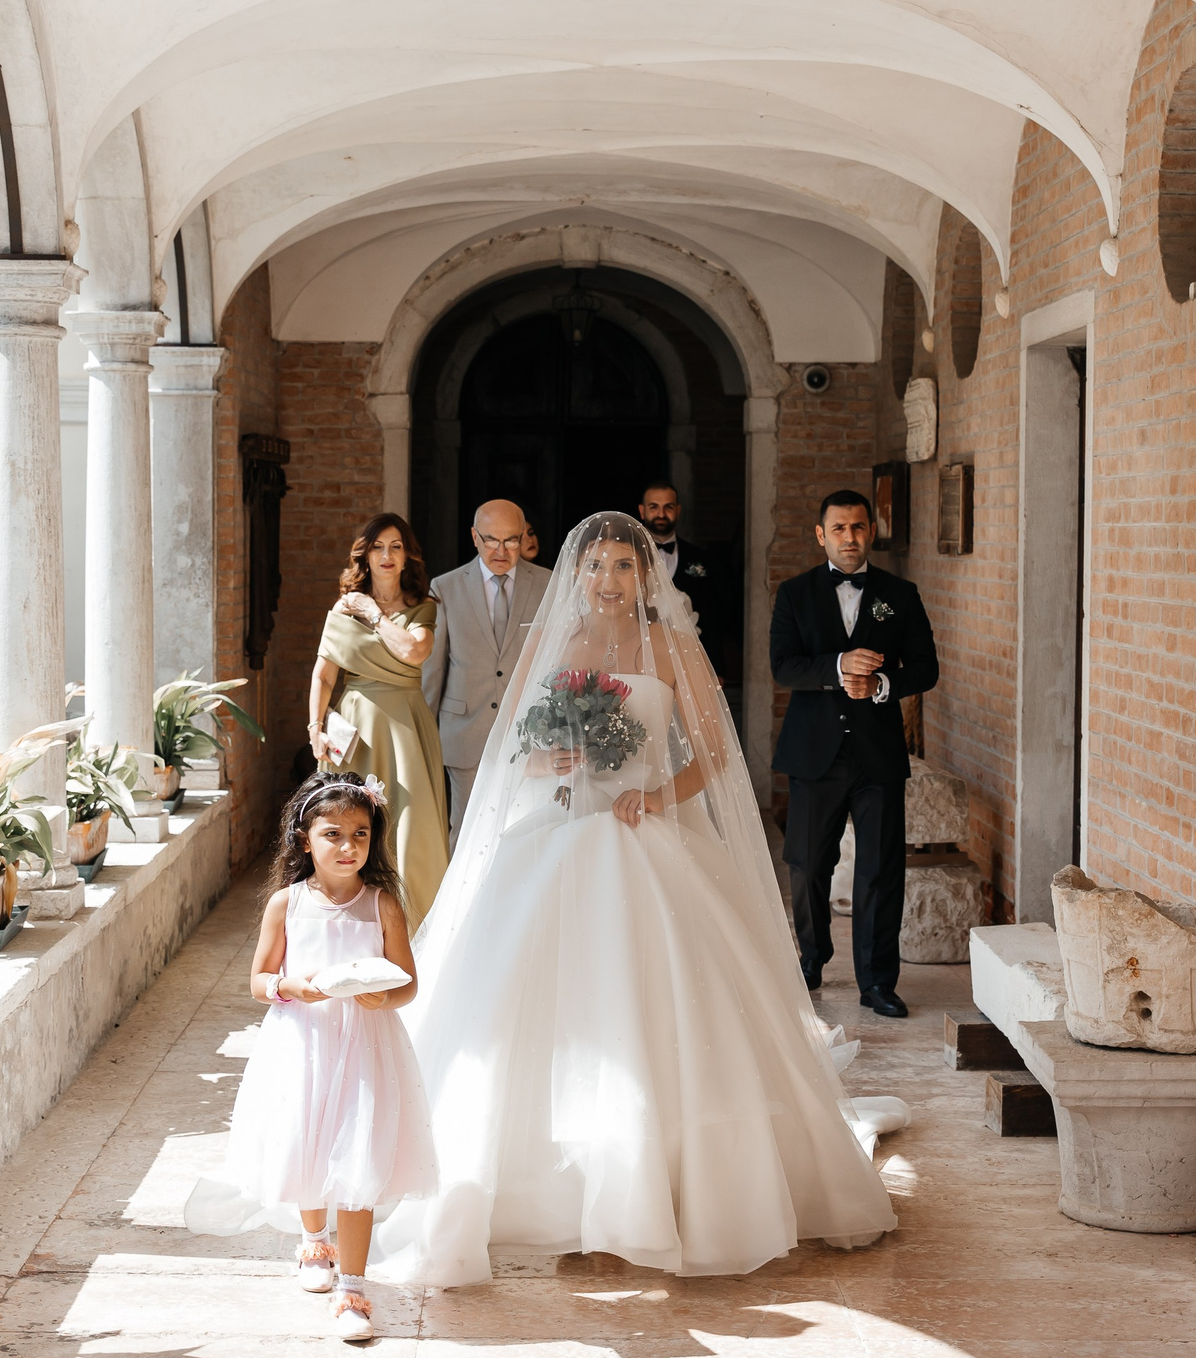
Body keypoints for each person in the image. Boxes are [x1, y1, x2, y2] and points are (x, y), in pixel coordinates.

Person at [375, 511, 903, 1287]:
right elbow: (512, 744)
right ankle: (544, 1181)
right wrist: (549, 758)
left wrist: (658, 794)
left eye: (626, 567)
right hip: (557, 831)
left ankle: (667, 1180)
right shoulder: (551, 646)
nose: (611, 581)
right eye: (598, 568)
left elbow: (714, 750)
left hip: (645, 830)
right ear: (575, 576)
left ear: (644, 576)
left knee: (665, 999)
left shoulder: (675, 648)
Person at [184, 773, 436, 1342]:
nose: (348, 847)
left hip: (366, 1042)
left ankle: (353, 1288)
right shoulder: (286, 903)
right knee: (307, 1136)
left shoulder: (382, 904)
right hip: (302, 1039)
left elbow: (408, 984)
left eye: (361, 834)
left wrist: (384, 995)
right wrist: (290, 987)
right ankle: (313, 1239)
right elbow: (258, 979)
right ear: (304, 840)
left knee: (356, 1154)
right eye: (333, 834)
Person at [770, 489, 939, 1017]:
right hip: (814, 754)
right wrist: (840, 667)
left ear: (872, 531)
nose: (850, 538)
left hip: (877, 756)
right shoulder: (794, 594)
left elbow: (926, 668)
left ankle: (877, 983)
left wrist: (883, 684)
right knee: (808, 865)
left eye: (859, 527)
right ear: (821, 535)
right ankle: (812, 960)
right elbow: (784, 668)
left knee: (880, 870)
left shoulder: (900, 593)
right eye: (839, 529)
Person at [308, 513, 448, 928]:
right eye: (378, 547)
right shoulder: (342, 608)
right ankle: (349, 918)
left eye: (396, 547)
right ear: (365, 555)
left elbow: (412, 651)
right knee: (348, 822)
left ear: (408, 558)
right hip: (356, 730)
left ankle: (414, 922)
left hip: (405, 728)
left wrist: (371, 611)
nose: (387, 555)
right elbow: (323, 674)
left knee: (411, 824)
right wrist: (315, 728)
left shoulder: (422, 607)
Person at [423, 498, 549, 834]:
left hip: (531, 734)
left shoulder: (549, 585)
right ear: (474, 537)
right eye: (490, 539)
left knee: (524, 829)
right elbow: (433, 672)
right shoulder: (444, 587)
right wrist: (424, 735)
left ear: (524, 538)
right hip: (465, 730)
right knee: (466, 829)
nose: (501, 550)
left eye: (511, 540)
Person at [638, 482, 721, 638]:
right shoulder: (629, 558)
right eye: (653, 507)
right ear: (642, 511)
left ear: (678, 511)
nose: (661, 514)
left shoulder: (702, 557)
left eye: (668, 507)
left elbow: (713, 615)